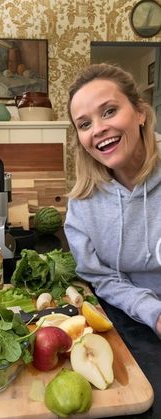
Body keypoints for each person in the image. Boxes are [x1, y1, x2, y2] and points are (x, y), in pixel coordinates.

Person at [64, 62, 161, 337]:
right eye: (84, 124)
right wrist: (153, 313)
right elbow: (101, 277)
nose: (98, 129)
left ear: (140, 112)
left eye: (109, 111)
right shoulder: (82, 204)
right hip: (132, 320)